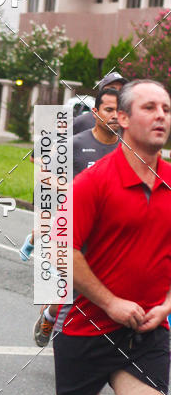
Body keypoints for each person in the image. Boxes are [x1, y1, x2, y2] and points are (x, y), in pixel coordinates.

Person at [23, 80, 171, 395]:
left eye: (167, 108)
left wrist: (165, 304)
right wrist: (111, 301)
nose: (161, 115)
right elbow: (62, 251)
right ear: (123, 119)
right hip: (89, 328)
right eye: (149, 107)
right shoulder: (91, 183)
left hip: (148, 332)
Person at [33, 87, 121, 346]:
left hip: (109, 230)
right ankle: (53, 318)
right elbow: (42, 174)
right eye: (109, 110)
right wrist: (72, 188)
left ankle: (97, 336)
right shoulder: (76, 144)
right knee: (72, 282)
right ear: (95, 113)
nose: (115, 115)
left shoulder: (126, 148)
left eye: (119, 110)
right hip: (75, 226)